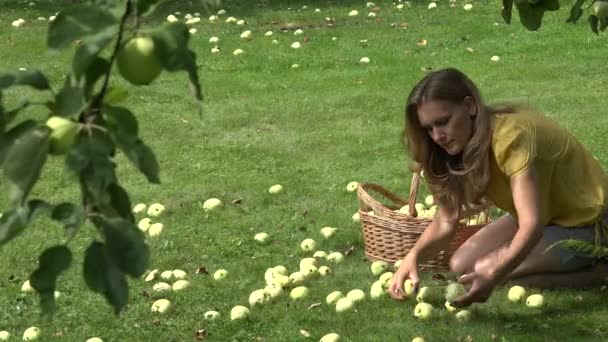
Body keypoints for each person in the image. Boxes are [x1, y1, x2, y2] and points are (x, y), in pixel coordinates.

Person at [387, 67, 608, 308]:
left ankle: (599, 272)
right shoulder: (450, 149)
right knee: (461, 265)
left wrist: (495, 272)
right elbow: (446, 220)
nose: (437, 136)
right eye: (429, 129)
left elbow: (531, 226)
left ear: (470, 106)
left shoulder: (509, 137)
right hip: (548, 214)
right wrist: (413, 257)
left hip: (589, 220)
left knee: (492, 270)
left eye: (443, 122)